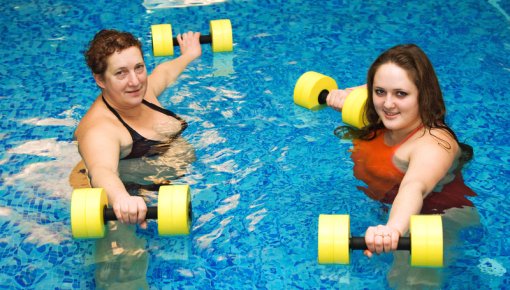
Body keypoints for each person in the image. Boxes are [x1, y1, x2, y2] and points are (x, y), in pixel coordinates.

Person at [326, 44, 477, 260]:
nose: (388, 104)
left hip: (439, 222)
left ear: (423, 95)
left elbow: (413, 187)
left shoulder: (433, 144)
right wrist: (344, 95)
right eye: (380, 92)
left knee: (407, 280)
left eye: (401, 94)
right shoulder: (381, 118)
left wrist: (393, 230)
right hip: (391, 209)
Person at [74, 29, 202, 229]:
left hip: (166, 183)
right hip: (135, 192)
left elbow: (165, 72)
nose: (135, 81)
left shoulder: (142, 92)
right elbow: (102, 170)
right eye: (120, 73)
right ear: (100, 80)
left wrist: (189, 55)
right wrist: (122, 199)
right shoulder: (100, 130)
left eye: (139, 68)